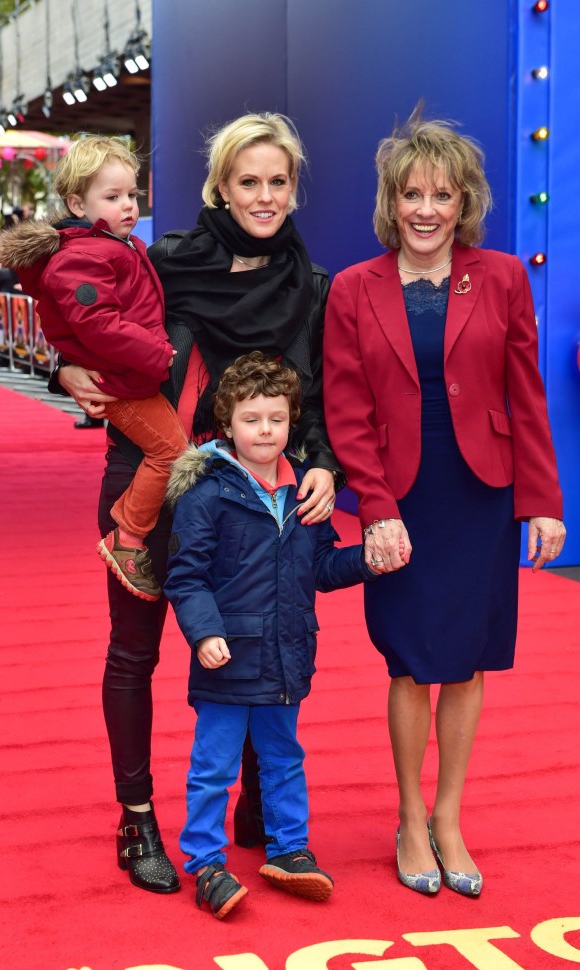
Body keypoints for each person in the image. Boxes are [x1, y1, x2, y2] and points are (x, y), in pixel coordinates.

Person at [52, 113, 343, 894]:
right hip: (149, 486)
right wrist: (62, 369)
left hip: (255, 499)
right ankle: (138, 816)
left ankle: (255, 806)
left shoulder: (309, 286)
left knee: (251, 643)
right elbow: (84, 316)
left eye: (278, 181)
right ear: (219, 185)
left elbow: (315, 401)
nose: (264, 195)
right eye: (248, 180)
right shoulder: (166, 263)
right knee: (136, 651)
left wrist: (322, 464)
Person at [323, 110, 566, 897]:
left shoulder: (500, 277)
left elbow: (525, 396)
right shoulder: (354, 289)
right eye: (412, 196)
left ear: (465, 204)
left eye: (443, 196)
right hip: (401, 497)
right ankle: (408, 815)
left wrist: (544, 501)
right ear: (391, 202)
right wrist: (376, 505)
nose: (426, 211)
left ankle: (450, 818)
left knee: (465, 664)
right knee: (410, 661)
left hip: (481, 495)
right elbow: (345, 408)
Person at [164, 352, 378, 917]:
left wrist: (369, 560)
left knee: (284, 758)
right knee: (213, 766)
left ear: (291, 421)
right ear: (227, 423)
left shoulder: (305, 492)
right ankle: (205, 861)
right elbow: (185, 577)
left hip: (287, 655)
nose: (265, 430)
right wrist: (203, 634)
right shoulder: (206, 493)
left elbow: (323, 567)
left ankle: (290, 851)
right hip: (227, 659)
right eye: (252, 419)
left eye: (277, 419)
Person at [0, 136, 188, 603]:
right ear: (77, 202)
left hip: (128, 379)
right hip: (124, 383)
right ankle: (128, 534)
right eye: (113, 197)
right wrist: (157, 353)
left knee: (173, 451)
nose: (128, 206)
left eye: (133, 195)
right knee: (171, 453)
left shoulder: (113, 245)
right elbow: (98, 324)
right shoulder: (84, 254)